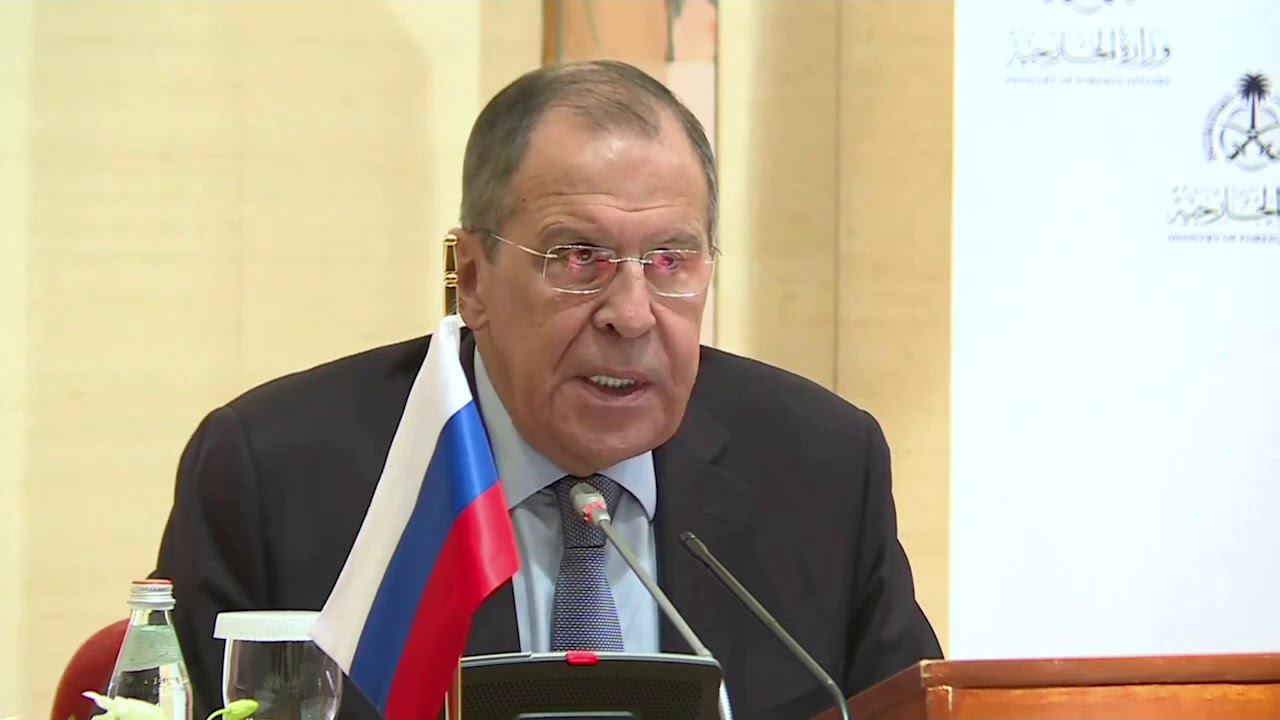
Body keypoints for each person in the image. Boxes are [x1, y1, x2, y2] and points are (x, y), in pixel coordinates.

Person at [155, 60, 940, 720]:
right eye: (578, 258)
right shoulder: (276, 478)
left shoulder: (821, 469)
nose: (632, 315)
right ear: (472, 279)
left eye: (671, 261)